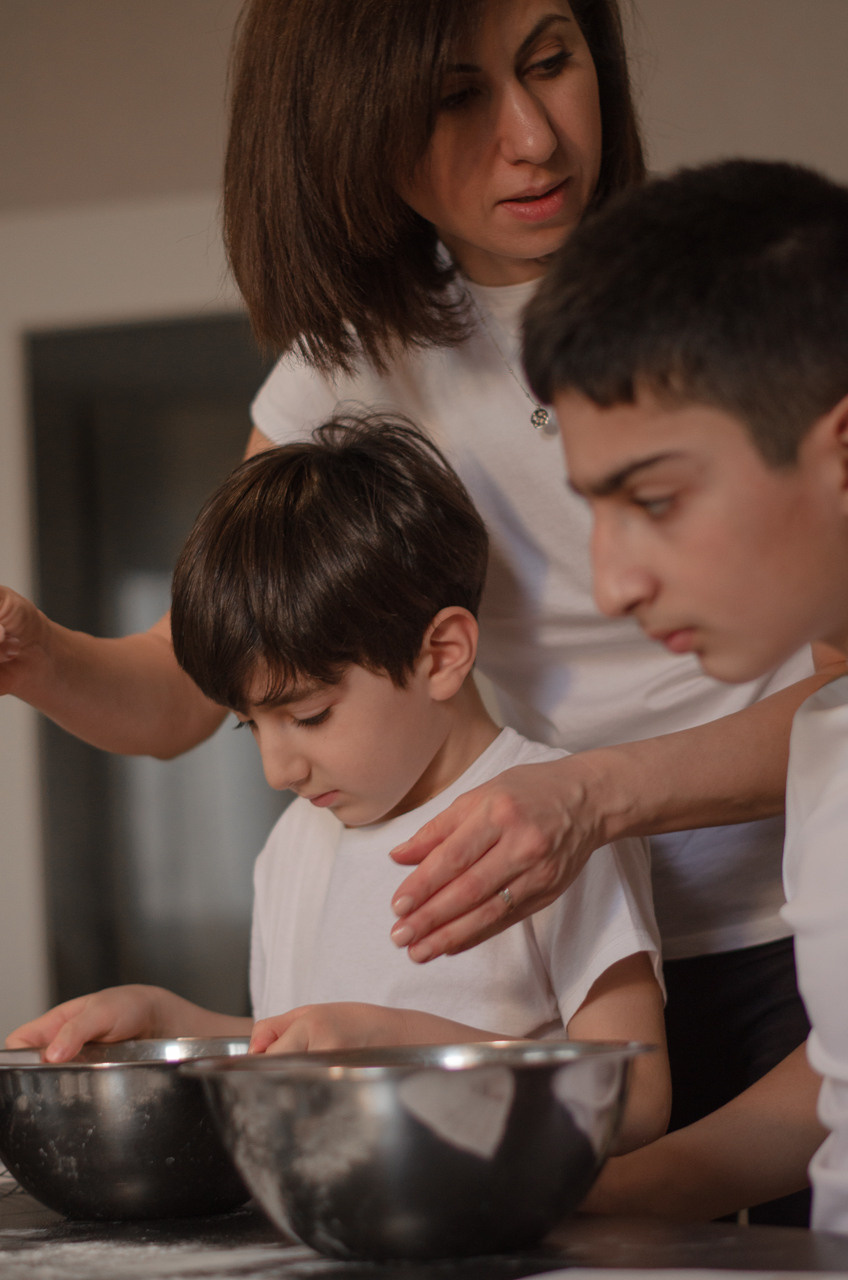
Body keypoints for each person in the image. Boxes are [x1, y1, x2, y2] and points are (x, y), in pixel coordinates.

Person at [0, 0, 833, 1220]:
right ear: (357, 135)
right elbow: (206, 680)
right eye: (453, 97)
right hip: (543, 907)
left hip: (777, 906)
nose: (534, 137)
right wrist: (34, 651)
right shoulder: (349, 369)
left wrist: (592, 797)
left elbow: (841, 684)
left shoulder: (736, 303)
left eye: (552, 62)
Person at [7, 416, 670, 1154]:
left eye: (310, 715)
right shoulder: (296, 840)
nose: (277, 769)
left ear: (442, 654)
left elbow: (637, 1099)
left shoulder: (554, 820)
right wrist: (169, 1021)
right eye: (248, 725)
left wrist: (388, 1047)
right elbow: (299, 1049)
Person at [520, 156, 848, 1230]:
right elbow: (835, 1088)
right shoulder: (823, 734)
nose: (614, 582)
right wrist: (562, 1203)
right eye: (594, 512)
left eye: (653, 498)